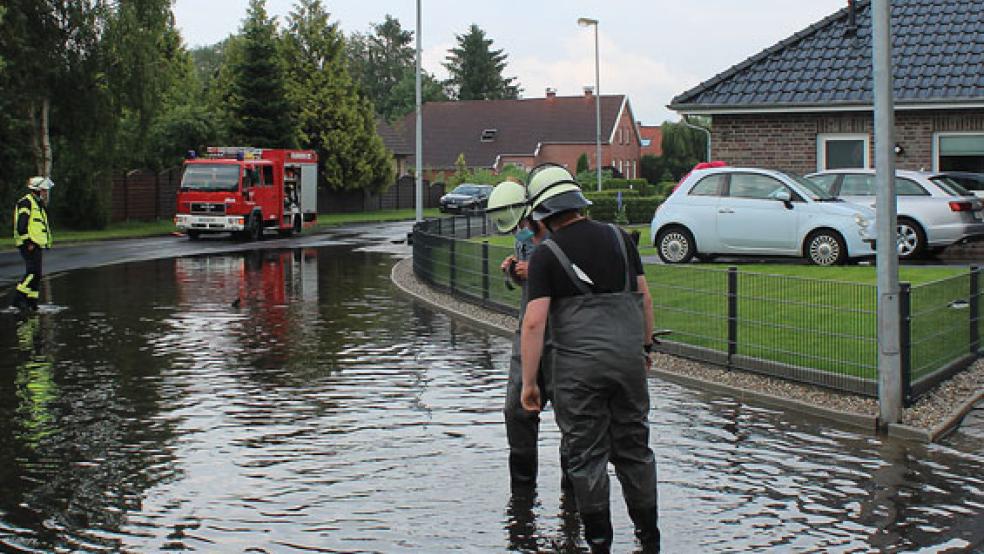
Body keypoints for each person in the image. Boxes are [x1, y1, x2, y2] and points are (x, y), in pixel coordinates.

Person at [519, 172, 660, 553]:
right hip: (628, 364)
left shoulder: (546, 255)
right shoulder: (619, 238)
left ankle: (600, 543)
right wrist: (645, 349)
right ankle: (650, 539)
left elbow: (534, 322)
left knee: (588, 455)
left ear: (543, 215)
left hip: (578, 372)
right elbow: (644, 299)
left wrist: (529, 383)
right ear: (578, 204)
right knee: (635, 449)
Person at [486, 175, 569, 489]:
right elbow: (527, 285)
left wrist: (534, 270)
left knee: (571, 419)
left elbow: (572, 274)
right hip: (529, 332)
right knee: (516, 411)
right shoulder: (524, 236)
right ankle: (522, 495)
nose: (522, 227)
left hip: (562, 336)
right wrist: (514, 271)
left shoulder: (563, 235)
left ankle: (572, 497)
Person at [11, 176, 54, 312]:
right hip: (29, 244)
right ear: (37, 190)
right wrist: (28, 242)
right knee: (32, 272)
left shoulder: (39, 204)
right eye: (44, 190)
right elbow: (21, 225)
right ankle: (18, 299)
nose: (46, 192)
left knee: (37, 274)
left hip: (36, 244)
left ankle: (31, 301)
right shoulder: (26, 203)